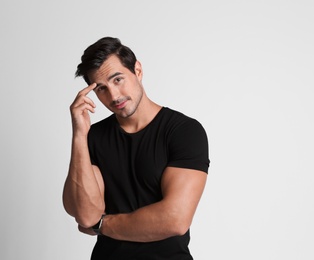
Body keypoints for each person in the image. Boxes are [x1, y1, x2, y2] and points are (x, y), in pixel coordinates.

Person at [63, 37, 210, 260]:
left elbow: (175, 219)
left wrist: (102, 224)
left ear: (137, 70)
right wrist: (79, 135)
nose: (113, 95)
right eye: (101, 88)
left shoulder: (184, 131)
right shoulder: (93, 137)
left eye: (118, 79)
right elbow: (85, 215)